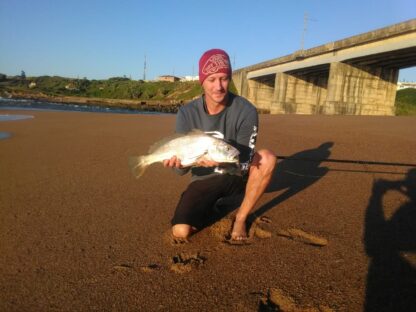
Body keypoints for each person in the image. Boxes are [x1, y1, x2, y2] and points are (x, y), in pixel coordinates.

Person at [163, 49, 276, 241]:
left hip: (236, 175)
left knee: (266, 158)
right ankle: (212, 205)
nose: (218, 86)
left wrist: (219, 163)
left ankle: (240, 218)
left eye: (223, 78)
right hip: (203, 179)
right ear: (202, 81)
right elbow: (180, 172)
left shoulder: (246, 110)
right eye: (212, 79)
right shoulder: (186, 113)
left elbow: (246, 162)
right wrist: (178, 164)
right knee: (181, 232)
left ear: (230, 78)